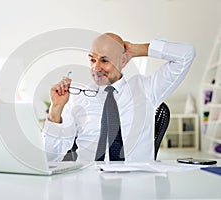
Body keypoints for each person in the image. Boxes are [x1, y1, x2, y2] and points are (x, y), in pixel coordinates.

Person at [42, 33, 195, 162]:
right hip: (89, 184)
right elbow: (49, 157)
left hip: (136, 185)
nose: (96, 68)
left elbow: (186, 54)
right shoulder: (76, 98)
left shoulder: (146, 89)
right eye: (92, 59)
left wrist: (136, 49)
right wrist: (55, 109)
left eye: (104, 60)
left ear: (123, 60)